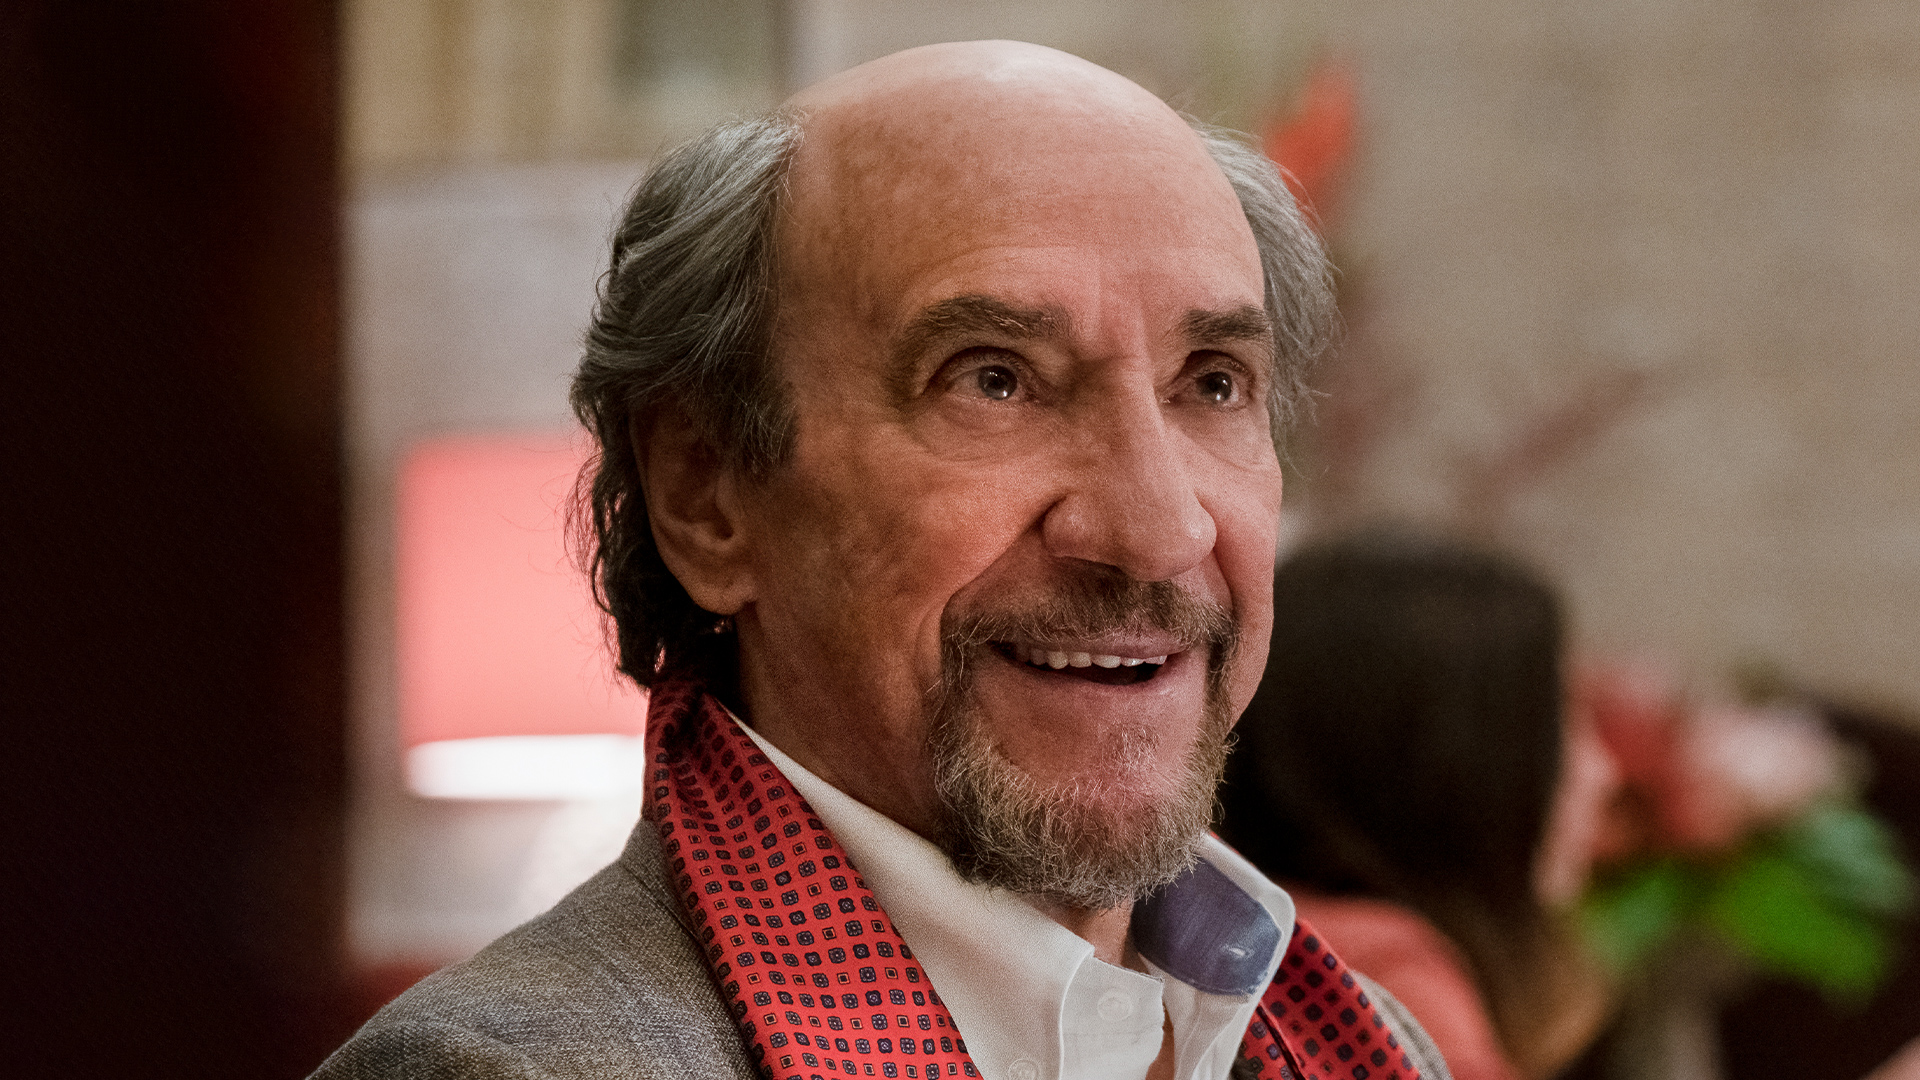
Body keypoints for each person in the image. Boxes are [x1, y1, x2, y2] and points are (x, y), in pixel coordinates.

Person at [314, 42, 1449, 1080]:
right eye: (993, 379)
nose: (1159, 533)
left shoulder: (1370, 1044)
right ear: (706, 497)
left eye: (1212, 383)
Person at [1217, 531, 1615, 1080]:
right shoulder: (1383, 986)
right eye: (1565, 722)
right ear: (1451, 756)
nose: (1603, 771)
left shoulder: (1234, 932)